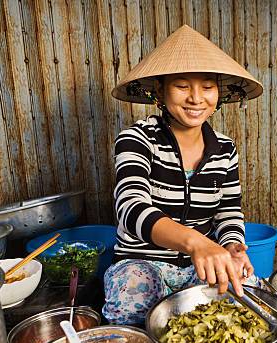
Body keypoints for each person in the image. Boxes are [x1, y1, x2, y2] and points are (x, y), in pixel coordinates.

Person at [103, 25, 263, 325]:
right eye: (181, 85)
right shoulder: (136, 138)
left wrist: (231, 247)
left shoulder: (225, 149)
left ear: (219, 92)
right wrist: (196, 243)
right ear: (160, 91)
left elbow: (228, 211)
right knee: (135, 293)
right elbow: (130, 207)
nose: (196, 98)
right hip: (141, 263)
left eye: (206, 86)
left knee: (247, 293)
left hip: (197, 267)